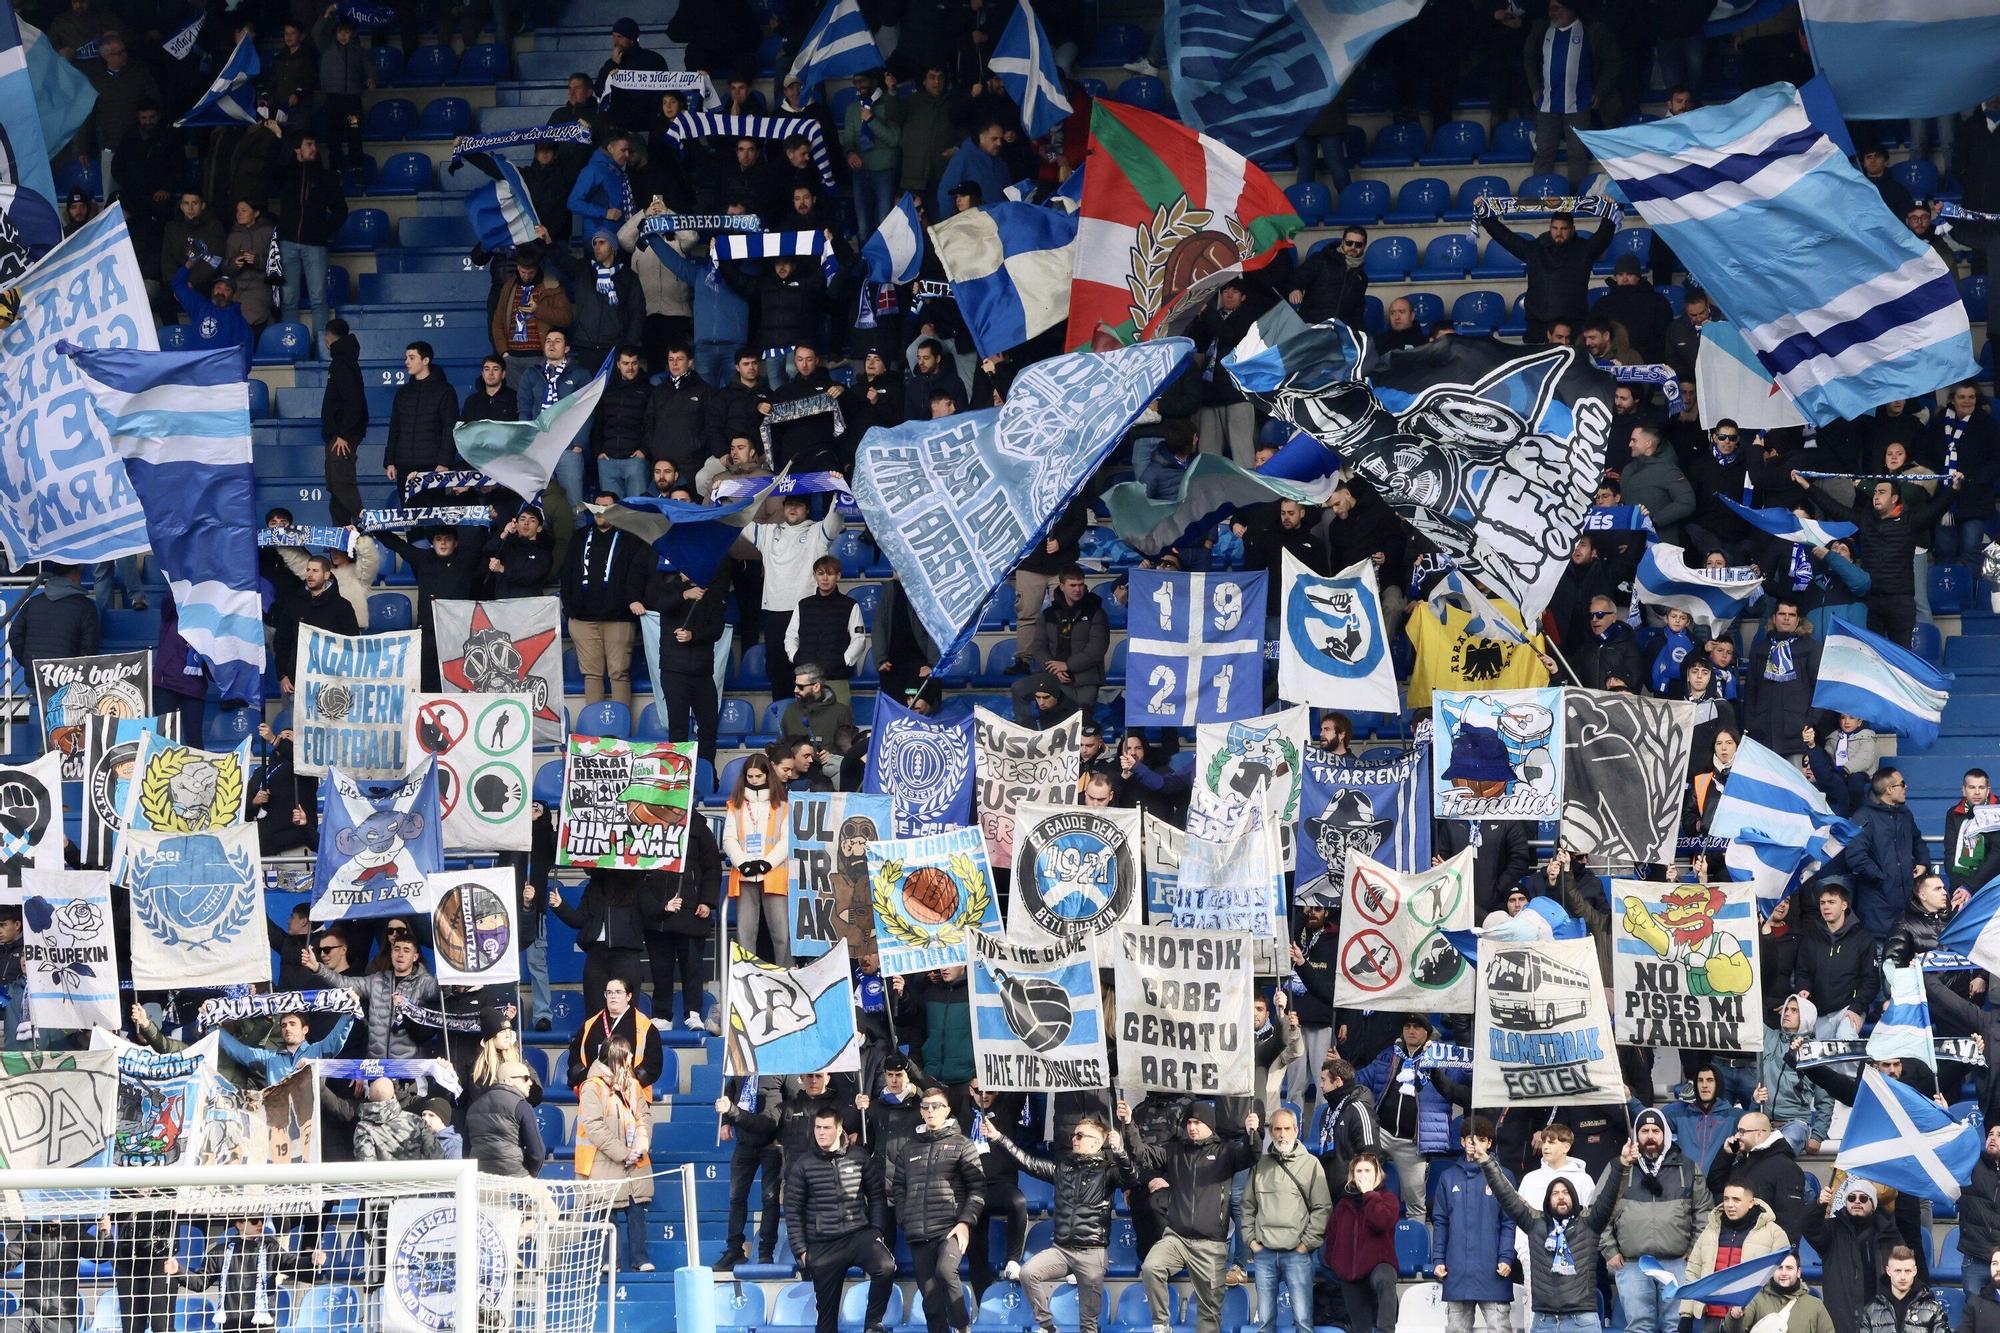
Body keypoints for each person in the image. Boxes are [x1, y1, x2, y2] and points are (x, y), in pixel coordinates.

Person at [983, 1110, 1135, 1333]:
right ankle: (1047, 1326)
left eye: (1080, 1135)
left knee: (1088, 1323)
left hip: (1092, 1252)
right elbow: (1027, 1162)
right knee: (1028, 1273)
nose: (1074, 1139)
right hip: (1061, 1250)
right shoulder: (1063, 1169)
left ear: (1097, 1142)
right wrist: (998, 1138)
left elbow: (1131, 1177)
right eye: (1074, 1135)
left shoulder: (1108, 1171)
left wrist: (1120, 1151)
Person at [1123, 1100, 1260, 1333]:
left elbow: (1251, 1155)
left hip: (1210, 1244)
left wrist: (1253, 1132)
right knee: (1151, 1267)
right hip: (1176, 1238)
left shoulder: (1226, 1152)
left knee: (1209, 1312)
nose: (1192, 1127)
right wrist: (1128, 1125)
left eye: (1198, 1122)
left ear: (1210, 1124)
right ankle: (1161, 1324)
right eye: (1189, 1122)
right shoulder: (1174, 1151)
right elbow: (1142, 1154)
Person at [1476, 1134, 1623, 1333]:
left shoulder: (1589, 1224)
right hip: (1543, 1322)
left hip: (1582, 1321)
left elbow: (1609, 1197)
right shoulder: (1535, 1223)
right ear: (1547, 1200)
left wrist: (1623, 1165)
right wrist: (1487, 1162)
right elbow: (1507, 1196)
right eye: (1555, 1193)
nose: (1561, 1197)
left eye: (1566, 1193)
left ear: (1574, 1199)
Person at [786, 1106, 897, 1333]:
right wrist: (801, 1251)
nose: (821, 1132)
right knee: (826, 1323)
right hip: (823, 1244)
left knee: (886, 1267)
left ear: (839, 1130)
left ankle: (873, 1325)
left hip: (859, 1235)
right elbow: (793, 1211)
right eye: (817, 1127)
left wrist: (876, 1230)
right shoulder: (803, 1165)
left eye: (827, 1128)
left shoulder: (859, 1157)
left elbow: (876, 1196)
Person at [1600, 1108, 1710, 1333]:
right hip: (1631, 1264)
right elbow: (1598, 1211)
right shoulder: (1618, 1167)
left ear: (1666, 1134)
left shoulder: (1687, 1168)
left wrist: (1695, 1249)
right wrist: (1609, 1250)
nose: (1650, 1136)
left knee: (1675, 1326)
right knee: (1639, 1326)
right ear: (1636, 1135)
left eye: (1656, 1130)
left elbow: (1704, 1212)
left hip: (1677, 1263)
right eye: (1644, 1130)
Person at [893, 1091, 984, 1333]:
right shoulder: (909, 1148)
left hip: (950, 1227)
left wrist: (965, 1222)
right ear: (921, 1111)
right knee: (931, 1301)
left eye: (936, 1106)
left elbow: (978, 1188)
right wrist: (903, 1217)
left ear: (947, 1110)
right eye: (926, 1106)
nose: (930, 1110)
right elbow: (898, 1187)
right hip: (917, 1232)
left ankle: (962, 1326)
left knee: (945, 1272)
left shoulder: (963, 1144)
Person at [1243, 1109, 1332, 1333]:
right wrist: (1252, 1242)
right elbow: (1247, 1207)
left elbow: (1322, 1208)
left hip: (1297, 1254)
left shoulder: (1311, 1164)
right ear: (1271, 1132)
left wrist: (1306, 1244)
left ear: (1297, 1131)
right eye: (1277, 1129)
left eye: (1287, 1129)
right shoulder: (1259, 1165)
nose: (1282, 1134)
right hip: (1264, 1254)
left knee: (1303, 1321)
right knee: (1264, 1323)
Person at [1357, 1013, 1454, 1220]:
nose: (1411, 1030)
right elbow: (1361, 1077)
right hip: (1381, 1134)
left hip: (1412, 1143)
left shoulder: (1441, 1057)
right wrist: (1341, 1067)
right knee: (1360, 1185)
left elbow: (1458, 1084)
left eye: (1417, 1027)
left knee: (1416, 1205)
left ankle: (1415, 1249)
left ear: (1427, 1033)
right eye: (1408, 1026)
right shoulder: (1388, 1055)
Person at [749, 493, 844, 700]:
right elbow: (739, 520)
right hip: (774, 612)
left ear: (807, 509)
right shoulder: (768, 532)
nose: (793, 509)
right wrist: (723, 495)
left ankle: (812, 720)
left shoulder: (817, 531)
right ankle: (785, 721)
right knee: (777, 670)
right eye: (789, 505)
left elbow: (835, 519)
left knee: (807, 670)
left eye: (798, 505)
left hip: (806, 612)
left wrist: (838, 491)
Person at [1478, 206, 1618, 343]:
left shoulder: (1584, 251)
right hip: (1538, 327)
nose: (1559, 233)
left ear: (1572, 230)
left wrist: (1609, 208)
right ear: (1549, 228)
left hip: (1573, 328)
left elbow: (1603, 237)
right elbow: (1506, 238)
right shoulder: (1534, 250)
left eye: (1564, 229)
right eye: (1555, 228)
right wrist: (1485, 215)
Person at [1430, 1116, 1516, 1333]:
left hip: (1493, 1270)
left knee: (1500, 1329)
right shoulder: (1447, 1178)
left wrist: (1506, 1257)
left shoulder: (1504, 1176)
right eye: (1469, 1138)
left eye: (1480, 1138)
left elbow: (1510, 1221)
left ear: (1489, 1143)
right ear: (1461, 1142)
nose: (1473, 1143)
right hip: (1457, 1270)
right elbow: (1440, 1222)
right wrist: (1438, 1259)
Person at [563, 494, 649, 711]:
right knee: (591, 674)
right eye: (597, 507)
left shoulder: (630, 538)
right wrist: (570, 608)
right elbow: (567, 574)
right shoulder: (579, 536)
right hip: (582, 619)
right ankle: (594, 732)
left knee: (618, 673)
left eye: (607, 507)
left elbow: (637, 576)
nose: (601, 511)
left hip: (618, 618)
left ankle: (620, 730)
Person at [579, 1036, 656, 1271]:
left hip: (635, 1161)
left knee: (636, 1208)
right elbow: (594, 1126)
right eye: (628, 1054)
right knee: (606, 1211)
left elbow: (644, 1116)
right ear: (616, 1056)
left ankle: (639, 1258)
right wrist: (623, 1153)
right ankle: (609, 1260)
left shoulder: (633, 1085)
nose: (632, 1058)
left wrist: (640, 1145)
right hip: (603, 1162)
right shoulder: (592, 1086)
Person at [176, 1215, 324, 1330]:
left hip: (263, 1325)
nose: (260, 1223)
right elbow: (200, 1283)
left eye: (262, 1219)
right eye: (254, 1220)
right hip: (231, 1325)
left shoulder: (271, 1248)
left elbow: (296, 1266)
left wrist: (312, 1261)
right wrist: (178, 1270)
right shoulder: (219, 1252)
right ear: (239, 1224)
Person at [1679, 1182, 1790, 1330]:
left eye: (1736, 1200)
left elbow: (1782, 1277)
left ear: (1751, 1203)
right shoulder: (1710, 1230)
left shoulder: (1774, 1233)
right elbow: (1693, 1272)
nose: (1730, 1204)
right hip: (1711, 1319)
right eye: (1726, 1199)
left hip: (1753, 1319)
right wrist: (1686, 1314)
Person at [1803, 1179, 1906, 1333]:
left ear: (1873, 1204)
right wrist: (1819, 1204)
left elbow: (1905, 1267)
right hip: (1843, 1316)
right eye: (1851, 1198)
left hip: (1882, 1318)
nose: (1857, 1202)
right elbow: (1808, 1226)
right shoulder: (1832, 1230)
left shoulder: (1889, 1233)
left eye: (1863, 1198)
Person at [1705, 1111, 1813, 1243]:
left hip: (1766, 1252)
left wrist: (1785, 1256)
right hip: (1735, 1243)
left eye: (1742, 1131)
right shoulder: (1742, 1162)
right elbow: (1716, 1187)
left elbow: (1790, 1221)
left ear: (1759, 1133)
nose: (1737, 1136)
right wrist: (1726, 1154)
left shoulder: (1786, 1167)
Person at [724, 754, 791, 965]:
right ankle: (746, 980)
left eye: (758, 776)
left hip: (774, 874)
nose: (753, 780)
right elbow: (728, 838)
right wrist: (742, 862)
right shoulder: (735, 805)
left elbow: (786, 841)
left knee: (782, 934)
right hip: (745, 875)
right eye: (750, 776)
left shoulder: (782, 805)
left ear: (767, 776)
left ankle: (786, 976)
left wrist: (767, 863)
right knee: (745, 934)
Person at [1325, 1152, 1402, 1333]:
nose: (1363, 1175)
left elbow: (1381, 1221)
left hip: (1378, 1264)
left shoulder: (1387, 1199)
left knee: (1385, 1278)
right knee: (1360, 1328)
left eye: (1367, 1170)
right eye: (1358, 1171)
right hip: (1351, 1272)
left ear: (1377, 1174)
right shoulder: (1344, 1204)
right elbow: (1332, 1236)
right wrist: (1337, 1264)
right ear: (1352, 1175)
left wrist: (1369, 1194)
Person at [563, 972, 665, 1093]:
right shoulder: (589, 1025)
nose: (613, 996)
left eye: (618, 992)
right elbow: (574, 1058)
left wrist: (626, 1081)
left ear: (629, 996)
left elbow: (653, 1064)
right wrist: (587, 1077)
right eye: (609, 992)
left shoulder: (645, 1026)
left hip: (631, 1094)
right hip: (593, 1091)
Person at [785, 560, 867, 703]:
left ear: (838, 576)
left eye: (830, 573)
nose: (825, 578)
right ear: (814, 576)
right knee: (806, 723)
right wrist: (795, 657)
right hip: (806, 680)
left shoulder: (850, 605)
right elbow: (790, 636)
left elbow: (859, 639)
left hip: (837, 678)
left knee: (840, 723)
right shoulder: (803, 605)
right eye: (820, 573)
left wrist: (844, 661)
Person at [214, 1007, 356, 1086]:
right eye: (283, 1025)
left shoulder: (318, 1050)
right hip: (278, 1123)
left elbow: (337, 1037)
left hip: (310, 1123)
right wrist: (213, 1028)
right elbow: (239, 1052)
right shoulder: (270, 1057)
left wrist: (350, 1012)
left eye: (292, 1024)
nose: (287, 1028)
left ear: (305, 1029)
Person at [384, 342, 461, 483]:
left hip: (433, 465)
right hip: (404, 465)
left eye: (412, 358)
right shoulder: (402, 393)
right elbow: (395, 428)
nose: (406, 362)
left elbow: (450, 428)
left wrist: (444, 462)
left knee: (432, 504)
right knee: (407, 505)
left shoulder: (445, 391)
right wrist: (390, 461)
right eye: (406, 358)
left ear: (426, 361)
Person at [318, 319, 367, 525]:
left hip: (341, 436)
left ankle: (367, 519)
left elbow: (353, 402)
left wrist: (343, 434)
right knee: (335, 489)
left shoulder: (342, 363)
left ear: (328, 338)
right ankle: (340, 545)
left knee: (340, 483)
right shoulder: (344, 360)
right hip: (338, 434)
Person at [8, 565, 99, 677]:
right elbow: (88, 645)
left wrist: (29, 664)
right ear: (73, 577)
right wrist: (76, 671)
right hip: (68, 676)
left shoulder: (33, 602)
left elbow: (14, 635)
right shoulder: (86, 606)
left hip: (36, 675)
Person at [466, 1061, 547, 1178]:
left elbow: (466, 1151)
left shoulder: (474, 1106)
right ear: (508, 1080)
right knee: (546, 1196)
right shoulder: (521, 1105)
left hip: (481, 1181)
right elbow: (537, 1152)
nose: (530, 1082)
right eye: (525, 1078)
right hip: (516, 1179)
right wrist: (530, 1175)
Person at [1728, 1251, 1836, 1333]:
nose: (1784, 1273)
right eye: (1779, 1268)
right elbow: (1733, 1330)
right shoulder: (1756, 1299)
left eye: (1789, 1268)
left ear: (1798, 1272)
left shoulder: (1815, 1305)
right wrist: (1734, 1317)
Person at [1855, 1246, 1951, 1333]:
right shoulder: (1870, 1310)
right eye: (1898, 1271)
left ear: (1915, 1271)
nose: (1903, 1277)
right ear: (1888, 1271)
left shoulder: (1933, 1310)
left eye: (1907, 1271)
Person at [352, 1076, 443, 1162]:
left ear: (369, 1097)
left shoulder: (363, 1129)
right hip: (418, 1177)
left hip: (383, 1178)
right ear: (394, 1096)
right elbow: (436, 1156)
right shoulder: (416, 1121)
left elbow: (367, 1166)